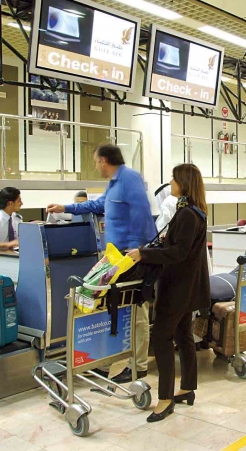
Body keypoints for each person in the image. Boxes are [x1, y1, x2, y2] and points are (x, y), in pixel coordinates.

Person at [46, 144, 156, 383]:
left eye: (96, 162)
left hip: (130, 258)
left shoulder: (129, 178)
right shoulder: (114, 184)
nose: (96, 166)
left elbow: (141, 214)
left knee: (136, 311)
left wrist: (136, 251)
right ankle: (105, 361)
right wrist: (65, 207)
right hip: (114, 258)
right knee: (110, 306)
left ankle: (138, 366)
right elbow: (97, 205)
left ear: (104, 160)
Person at [127, 164, 211, 423]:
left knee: (161, 338)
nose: (171, 182)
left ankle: (165, 399)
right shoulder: (195, 211)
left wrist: (144, 254)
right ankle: (187, 387)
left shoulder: (186, 214)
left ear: (184, 183)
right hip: (189, 287)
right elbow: (180, 247)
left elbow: (178, 253)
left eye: (174, 178)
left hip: (177, 288)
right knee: (184, 335)